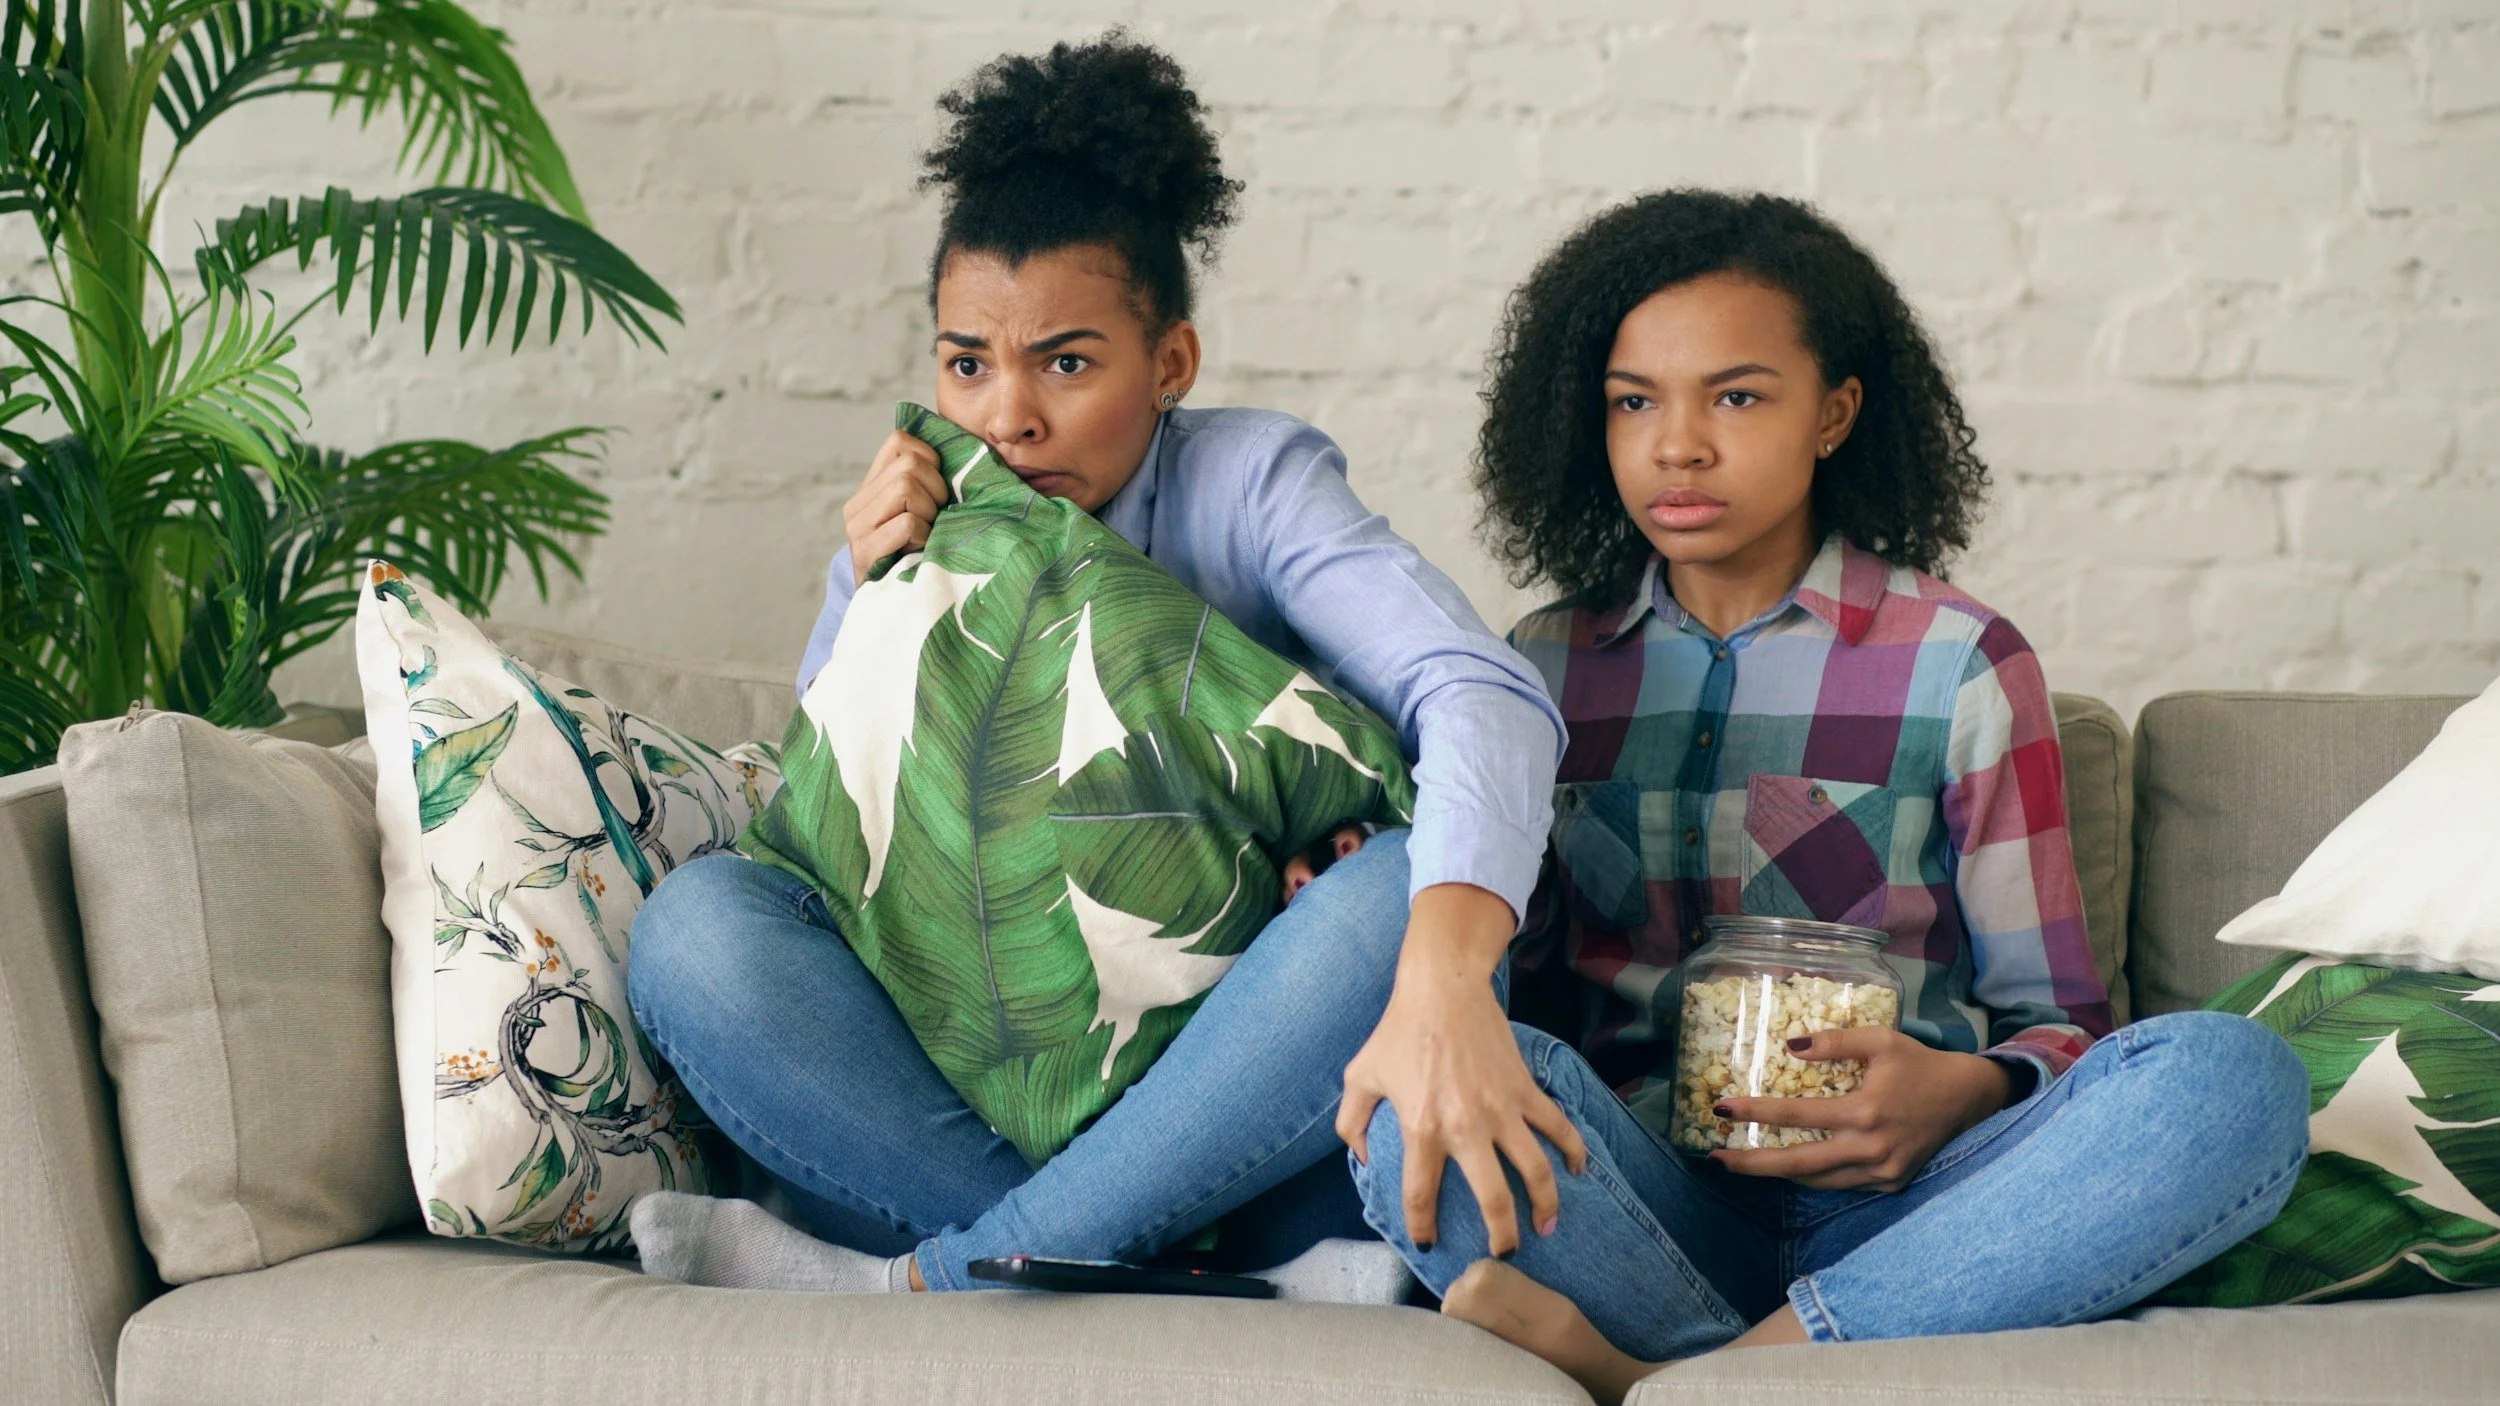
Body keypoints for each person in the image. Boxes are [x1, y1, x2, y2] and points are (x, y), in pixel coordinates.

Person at [622, 33, 1567, 1302]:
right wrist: (872, 591)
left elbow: (1481, 690)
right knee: (699, 927)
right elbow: (854, 867)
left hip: (1248, 1096)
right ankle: (1186, 1271)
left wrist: (1445, 968)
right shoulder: (914, 522)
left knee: (1405, 888)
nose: (1007, 416)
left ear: (1169, 363)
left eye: (1065, 362)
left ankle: (935, 1279)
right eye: (967, 362)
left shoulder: (1252, 481)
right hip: (980, 1099)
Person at [1345, 189, 2311, 1400]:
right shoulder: (1532, 671)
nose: (1676, 445)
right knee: (1410, 1101)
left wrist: (1964, 1088)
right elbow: (1494, 986)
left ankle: (1683, 1375)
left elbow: (2061, 1017)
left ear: (1834, 413)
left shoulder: (1960, 662)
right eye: (1633, 401)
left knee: (2230, 1077)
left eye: (1736, 397)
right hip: (1643, 1203)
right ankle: (1784, 1367)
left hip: (1917, 1204)